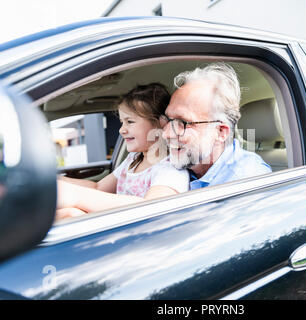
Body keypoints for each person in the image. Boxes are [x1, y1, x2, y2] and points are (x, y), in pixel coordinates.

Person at [56, 83, 189, 220]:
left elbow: (152, 208)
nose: (121, 130)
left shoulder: (170, 169)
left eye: (130, 122)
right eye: (121, 123)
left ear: (159, 124)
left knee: (72, 214)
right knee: (70, 213)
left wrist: (77, 196)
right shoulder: (133, 160)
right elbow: (98, 187)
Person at [161, 62, 271, 190]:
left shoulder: (247, 182)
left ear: (220, 132)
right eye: (168, 120)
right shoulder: (173, 166)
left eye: (183, 122)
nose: (166, 134)